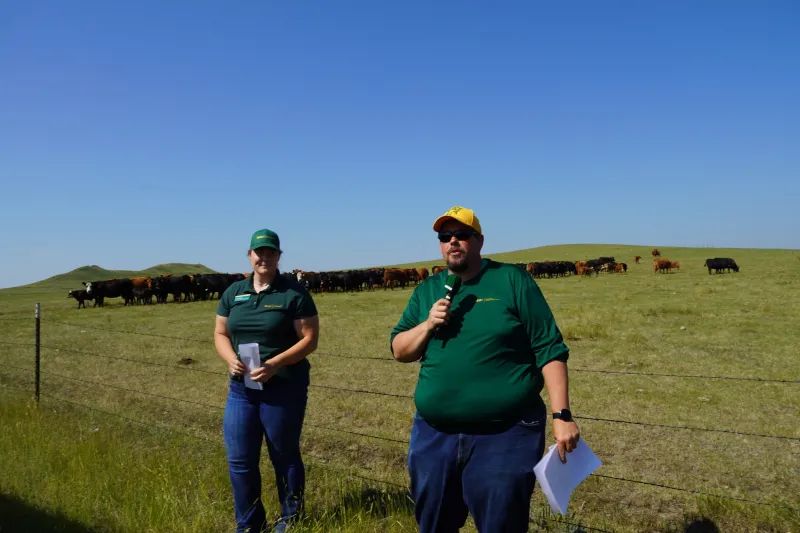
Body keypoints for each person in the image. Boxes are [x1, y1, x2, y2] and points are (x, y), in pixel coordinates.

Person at [390, 206, 581, 533]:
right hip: (433, 435)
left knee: (500, 524)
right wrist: (426, 325)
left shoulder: (511, 280)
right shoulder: (428, 290)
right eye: (445, 237)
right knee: (433, 524)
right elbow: (399, 349)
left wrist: (561, 415)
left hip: (505, 435)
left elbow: (548, 348)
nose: (453, 242)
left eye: (461, 235)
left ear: (479, 241)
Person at [215, 228, 320, 533]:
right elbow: (220, 333)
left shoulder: (294, 293)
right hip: (242, 389)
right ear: (250, 255)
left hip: (283, 386)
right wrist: (229, 358)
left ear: (278, 256)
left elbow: (310, 340)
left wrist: (275, 363)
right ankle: (248, 523)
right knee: (240, 460)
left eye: (270, 252)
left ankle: (290, 520)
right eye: (258, 252)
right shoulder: (233, 293)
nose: (264, 257)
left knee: (284, 455)